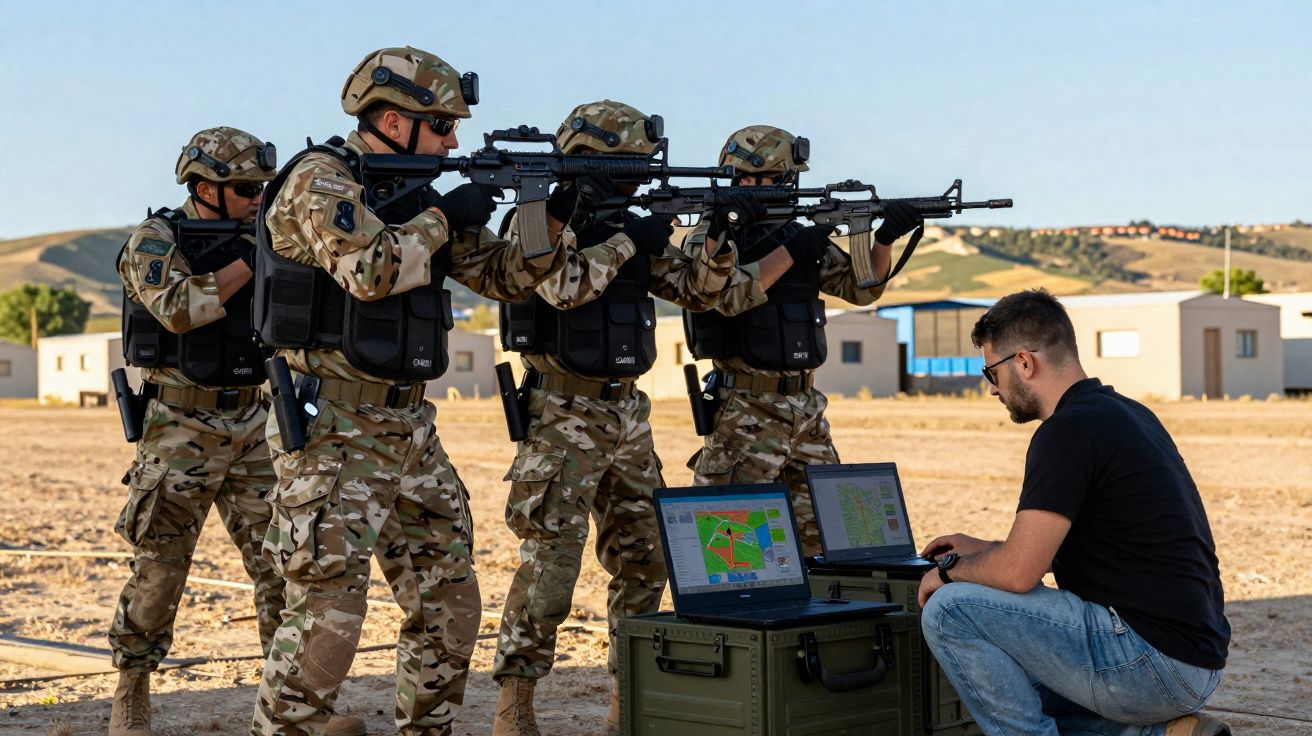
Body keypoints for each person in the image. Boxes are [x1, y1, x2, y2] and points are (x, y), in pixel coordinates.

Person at [251, 47, 565, 736]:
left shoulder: (419, 195)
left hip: (408, 428)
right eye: (443, 125)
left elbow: (510, 277)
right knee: (329, 615)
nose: (454, 141)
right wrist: (448, 215)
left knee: (451, 602)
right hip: (332, 425)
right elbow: (371, 269)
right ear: (393, 120)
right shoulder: (319, 180)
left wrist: (551, 210)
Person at [491, 99, 753, 736]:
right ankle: (516, 703)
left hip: (626, 412)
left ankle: (625, 695)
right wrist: (632, 236)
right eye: (624, 166)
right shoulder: (536, 219)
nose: (636, 179)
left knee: (645, 559)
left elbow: (702, 291)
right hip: (560, 408)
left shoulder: (627, 225)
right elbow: (561, 286)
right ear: (584, 161)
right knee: (551, 561)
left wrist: (716, 238)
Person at [917, 288, 1232, 736]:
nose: (992, 389)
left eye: (992, 371)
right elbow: (1039, 553)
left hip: (1149, 662)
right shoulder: (1125, 413)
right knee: (1015, 689)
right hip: (1194, 661)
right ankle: (1160, 734)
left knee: (950, 609)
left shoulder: (1065, 432)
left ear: (1024, 363)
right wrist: (983, 549)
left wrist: (948, 572)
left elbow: (1020, 572)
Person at [109, 126, 297, 736]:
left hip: (253, 417)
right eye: (244, 188)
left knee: (283, 565)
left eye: (261, 189)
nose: (255, 199)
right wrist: (252, 254)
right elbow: (181, 309)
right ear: (201, 187)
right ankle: (132, 688)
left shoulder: (266, 234)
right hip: (179, 425)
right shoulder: (153, 241)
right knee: (161, 567)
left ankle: (287, 700)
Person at [681, 125, 921, 555]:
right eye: (743, 178)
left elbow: (861, 288)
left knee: (831, 542)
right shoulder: (713, 235)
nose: (752, 187)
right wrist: (793, 250)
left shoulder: (797, 232)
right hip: (745, 411)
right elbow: (724, 298)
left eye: (766, 179)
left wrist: (883, 238)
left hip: (806, 409)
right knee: (733, 548)